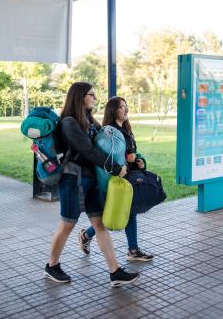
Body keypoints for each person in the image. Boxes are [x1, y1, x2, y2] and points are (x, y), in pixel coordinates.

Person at [44, 82, 140, 287]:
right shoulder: (69, 123)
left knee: (100, 224)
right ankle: (52, 266)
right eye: (91, 95)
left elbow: (103, 144)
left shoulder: (89, 121)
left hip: (91, 181)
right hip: (72, 180)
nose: (95, 98)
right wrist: (114, 168)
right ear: (80, 97)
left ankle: (115, 272)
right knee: (67, 225)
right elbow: (89, 151)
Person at [79, 97, 154, 262]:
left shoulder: (125, 130)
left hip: (127, 179)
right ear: (113, 110)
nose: (126, 110)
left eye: (126, 107)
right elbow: (110, 158)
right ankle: (87, 234)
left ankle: (133, 250)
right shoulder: (108, 132)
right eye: (122, 107)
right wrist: (128, 158)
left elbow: (131, 154)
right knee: (112, 216)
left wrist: (139, 161)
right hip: (112, 182)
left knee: (126, 212)